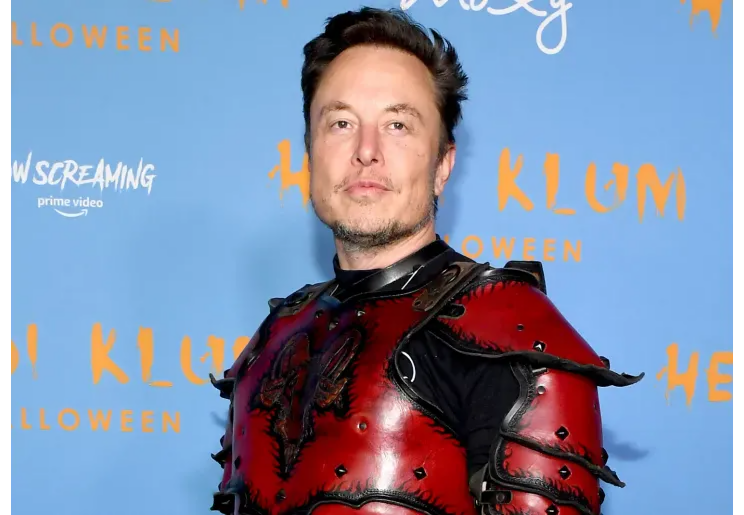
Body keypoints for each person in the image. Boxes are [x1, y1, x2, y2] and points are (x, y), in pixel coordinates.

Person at [209, 7, 643, 515]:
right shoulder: (272, 340)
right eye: (341, 123)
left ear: (443, 165)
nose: (366, 150)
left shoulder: (508, 339)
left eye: (397, 124)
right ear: (310, 153)